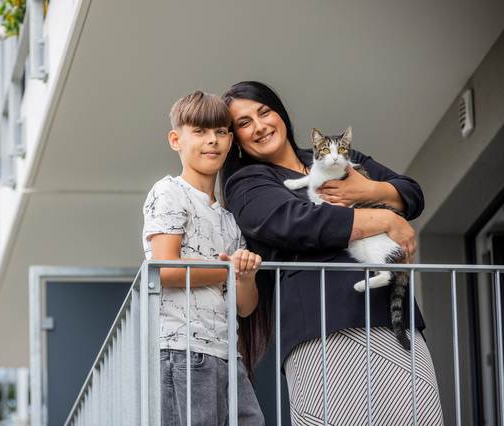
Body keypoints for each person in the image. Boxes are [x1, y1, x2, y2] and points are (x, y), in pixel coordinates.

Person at [220, 81, 443, 425]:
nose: (260, 125)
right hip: (321, 326)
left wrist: (368, 189)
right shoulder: (247, 183)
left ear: (280, 113)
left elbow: (410, 192)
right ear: (236, 138)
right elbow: (297, 223)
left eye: (264, 112)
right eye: (244, 123)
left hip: (388, 314)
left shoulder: (334, 159)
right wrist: (381, 217)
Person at [142, 90, 265, 425]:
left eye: (221, 132)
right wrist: (228, 269)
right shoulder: (169, 191)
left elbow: (245, 306)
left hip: (228, 354)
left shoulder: (230, 219)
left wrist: (245, 275)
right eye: (200, 131)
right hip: (181, 350)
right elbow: (165, 268)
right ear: (175, 139)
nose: (213, 141)